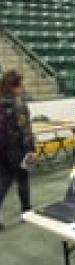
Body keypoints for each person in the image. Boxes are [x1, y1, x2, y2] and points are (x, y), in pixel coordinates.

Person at [0, 70, 36, 229]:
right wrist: (32, 149)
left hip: (3, 149)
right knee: (23, 179)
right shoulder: (18, 104)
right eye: (21, 84)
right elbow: (25, 130)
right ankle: (26, 211)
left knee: (3, 182)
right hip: (19, 149)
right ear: (14, 87)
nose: (23, 87)